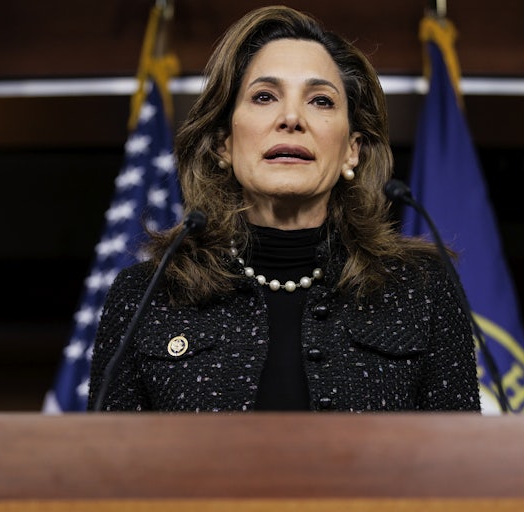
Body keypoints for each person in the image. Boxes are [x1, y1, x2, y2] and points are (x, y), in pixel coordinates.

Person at [88, 5, 481, 413]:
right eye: (264, 96)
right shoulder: (144, 295)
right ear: (224, 143)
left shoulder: (422, 288)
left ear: (351, 151)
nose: (291, 117)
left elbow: (460, 465)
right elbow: (107, 466)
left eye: (321, 101)